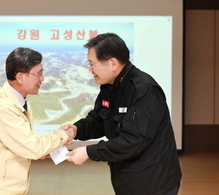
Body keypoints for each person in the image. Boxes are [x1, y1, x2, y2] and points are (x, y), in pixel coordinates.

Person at [66, 33, 182, 195]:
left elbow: (133, 141)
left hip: (153, 183)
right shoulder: (109, 87)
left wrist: (88, 152)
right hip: (126, 179)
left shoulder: (144, 90)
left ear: (112, 63)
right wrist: (76, 130)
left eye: (92, 64)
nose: (89, 69)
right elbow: (99, 119)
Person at [0, 47, 75, 195]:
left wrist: (44, 149)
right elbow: (33, 147)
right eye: (38, 74)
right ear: (20, 77)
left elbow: (21, 143)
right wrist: (64, 134)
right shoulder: (5, 108)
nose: (42, 79)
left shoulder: (19, 101)